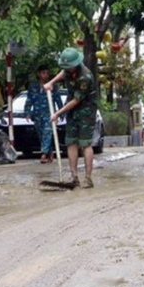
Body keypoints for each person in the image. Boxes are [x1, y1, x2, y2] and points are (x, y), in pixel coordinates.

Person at [44, 48, 99, 189]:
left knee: (85, 143)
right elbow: (63, 73)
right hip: (72, 108)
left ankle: (88, 178)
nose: (66, 69)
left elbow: (76, 100)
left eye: (69, 66)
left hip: (86, 110)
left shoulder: (85, 77)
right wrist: (51, 82)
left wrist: (57, 114)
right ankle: (74, 177)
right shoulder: (68, 70)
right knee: (71, 141)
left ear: (76, 63)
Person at [24, 64, 62, 163]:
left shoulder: (53, 86)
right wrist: (27, 112)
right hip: (37, 114)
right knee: (41, 135)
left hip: (49, 114)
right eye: (43, 73)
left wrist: (60, 113)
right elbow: (29, 100)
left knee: (47, 132)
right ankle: (50, 152)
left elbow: (58, 100)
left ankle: (43, 154)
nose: (46, 75)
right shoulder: (33, 87)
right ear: (39, 74)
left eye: (47, 73)